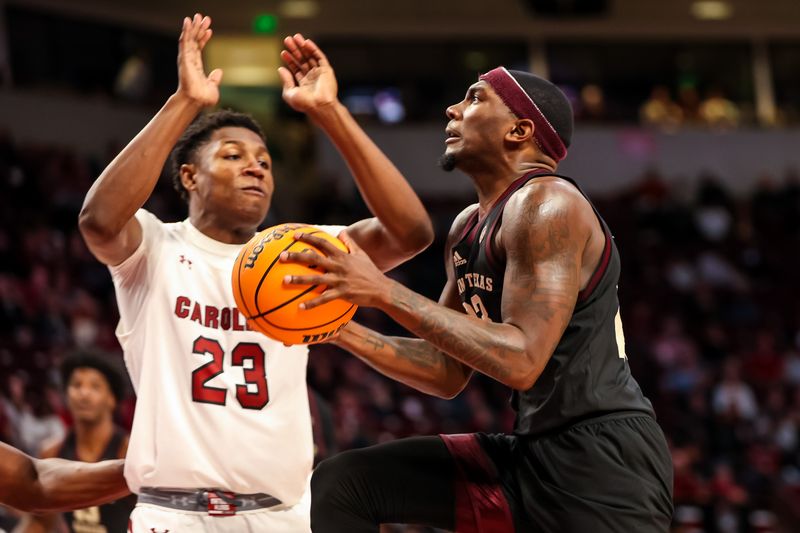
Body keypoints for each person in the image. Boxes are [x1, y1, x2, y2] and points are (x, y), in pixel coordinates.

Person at [280, 38, 674, 532]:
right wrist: (333, 327)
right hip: (532, 452)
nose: (452, 108)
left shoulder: (548, 204)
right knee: (347, 482)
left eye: (473, 98)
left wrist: (381, 292)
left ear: (519, 130)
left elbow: (522, 360)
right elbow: (445, 371)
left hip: (603, 465)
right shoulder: (469, 225)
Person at [77, 15, 432, 533]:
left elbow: (410, 233)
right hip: (173, 514)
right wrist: (186, 103)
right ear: (189, 176)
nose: (257, 166)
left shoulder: (297, 252)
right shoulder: (153, 245)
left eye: (264, 160)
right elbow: (99, 220)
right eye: (233, 155)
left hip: (281, 516)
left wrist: (330, 112)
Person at [18, 352, 135, 533]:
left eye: (95, 387)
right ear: (66, 394)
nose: (84, 393)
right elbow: (41, 522)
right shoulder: (51, 452)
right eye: (76, 385)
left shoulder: (129, 452)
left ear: (112, 399)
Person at [0, 442, 128, 514]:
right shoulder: (53, 447)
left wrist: (132, 471)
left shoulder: (125, 445)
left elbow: (36, 480)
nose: (84, 394)